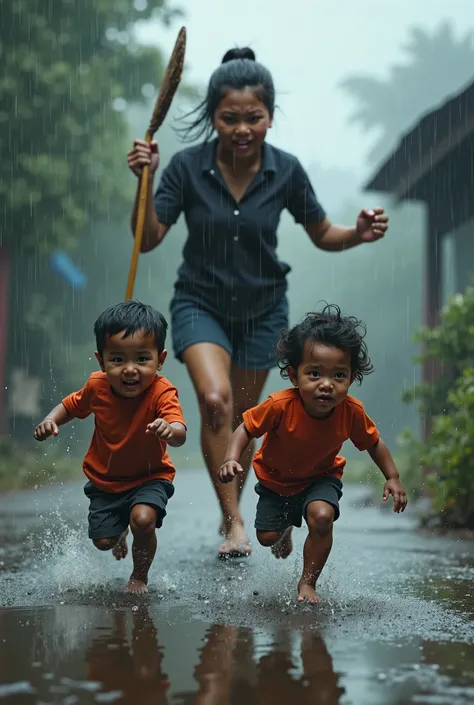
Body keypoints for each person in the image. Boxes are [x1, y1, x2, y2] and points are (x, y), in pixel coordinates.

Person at [127, 47, 389, 560]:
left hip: (264, 310)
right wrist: (146, 178)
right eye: (230, 118)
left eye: (254, 117)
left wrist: (356, 235)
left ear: (269, 116)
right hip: (198, 302)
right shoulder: (185, 167)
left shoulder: (286, 171)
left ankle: (268, 502)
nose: (243, 129)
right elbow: (149, 237)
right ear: (213, 117)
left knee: (248, 417)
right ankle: (233, 523)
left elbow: (322, 234)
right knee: (215, 401)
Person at [218, 305, 407, 603]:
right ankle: (286, 530)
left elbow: (374, 442)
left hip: (321, 478)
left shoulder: (351, 412)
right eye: (315, 374)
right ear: (295, 375)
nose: (326, 385)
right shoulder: (279, 405)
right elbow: (245, 428)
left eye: (338, 375)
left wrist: (392, 477)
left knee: (321, 517)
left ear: (351, 376)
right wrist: (230, 458)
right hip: (275, 480)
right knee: (267, 538)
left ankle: (307, 584)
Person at [33, 301, 186, 594]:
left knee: (143, 519)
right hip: (106, 480)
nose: (130, 370)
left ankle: (139, 576)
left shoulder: (161, 392)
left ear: (160, 359)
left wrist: (170, 430)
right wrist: (50, 420)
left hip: (150, 476)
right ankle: (120, 532)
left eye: (142, 359)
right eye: (117, 360)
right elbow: (70, 405)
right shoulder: (97, 387)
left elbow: (179, 432)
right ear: (101, 360)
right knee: (103, 542)